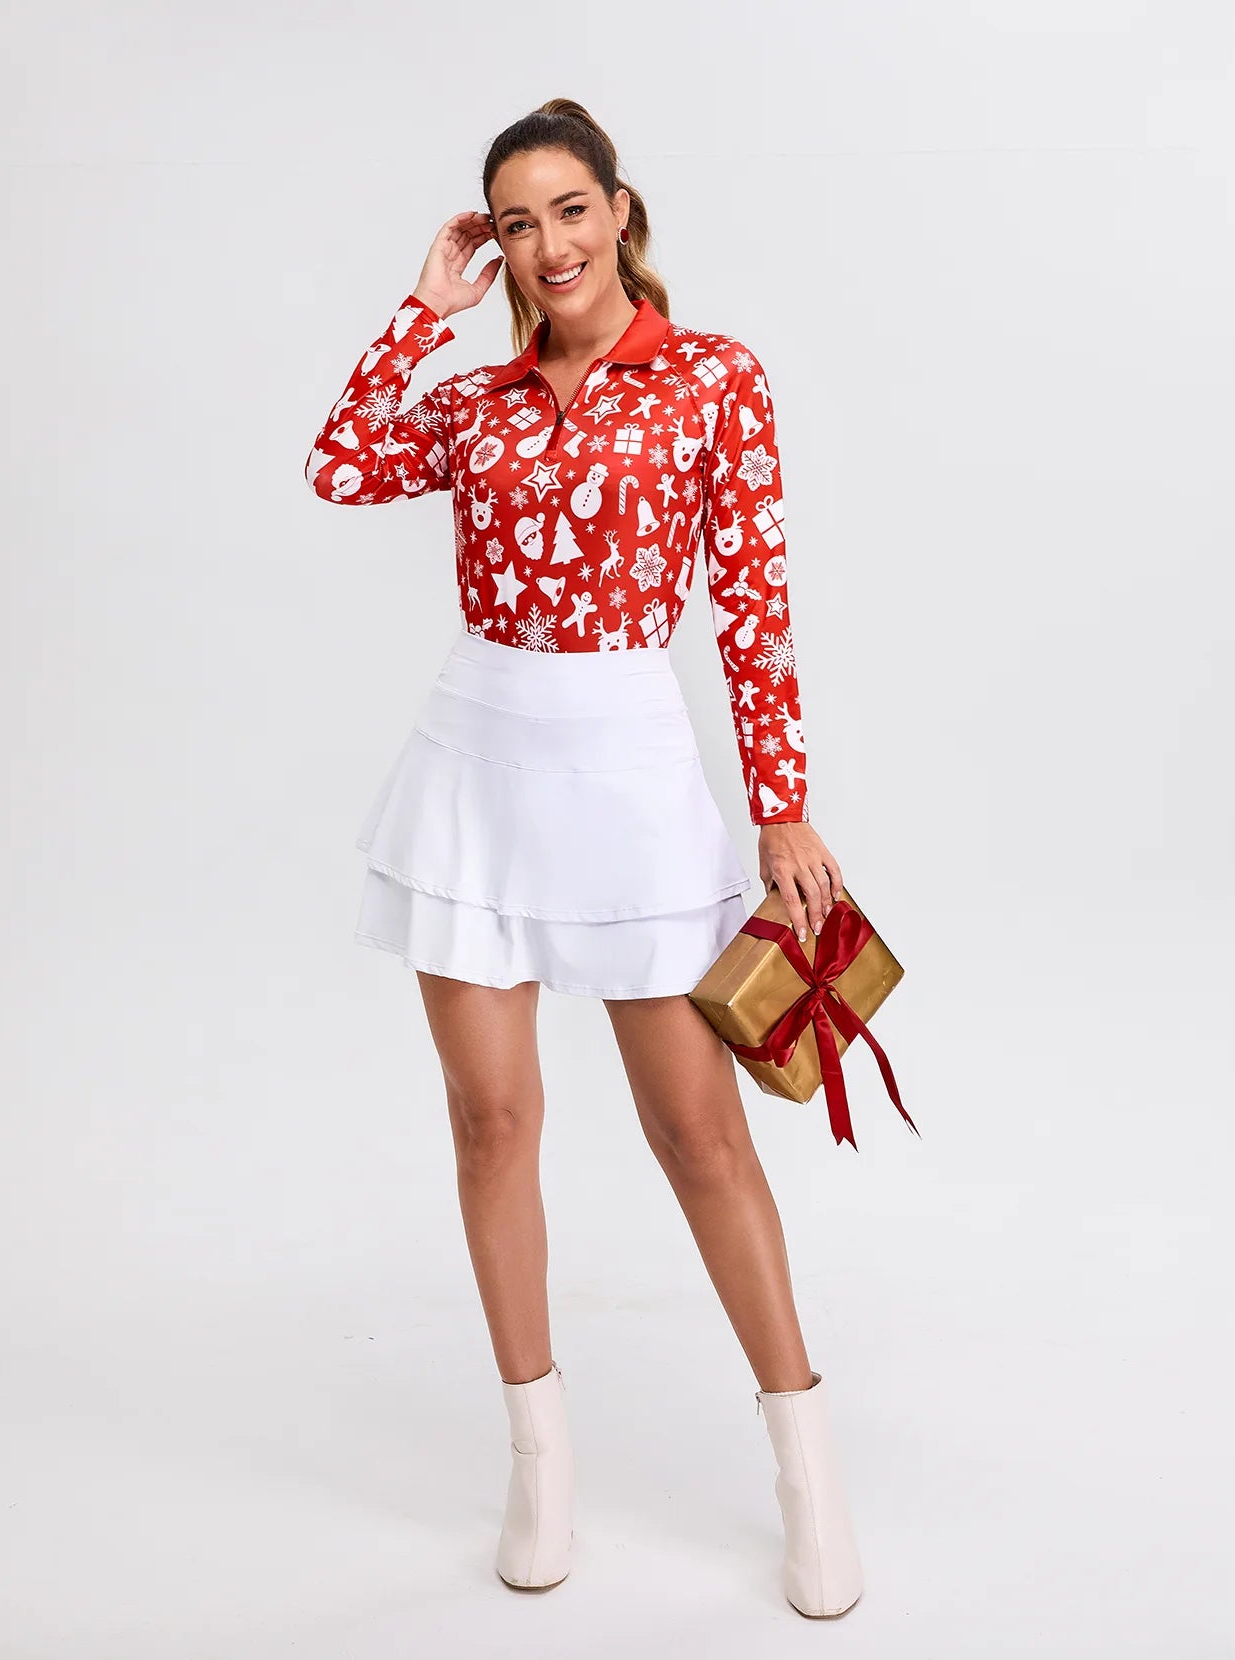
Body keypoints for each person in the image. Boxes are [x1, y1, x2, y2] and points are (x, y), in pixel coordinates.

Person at [305, 97, 863, 1618]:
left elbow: (753, 603)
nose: (546, 244)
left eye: (567, 209)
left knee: (700, 1134)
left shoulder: (710, 379)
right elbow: (339, 463)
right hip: (476, 765)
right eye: (515, 222)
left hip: (628, 772)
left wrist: (782, 803)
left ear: (619, 210)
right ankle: (539, 1464)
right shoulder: (479, 404)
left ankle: (806, 1470)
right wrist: (422, 310)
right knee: (491, 1121)